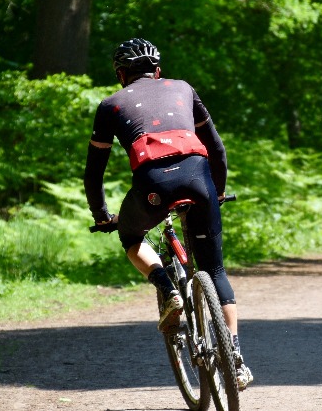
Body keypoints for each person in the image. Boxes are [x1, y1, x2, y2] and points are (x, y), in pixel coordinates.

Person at [83, 38, 253, 389]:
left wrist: (102, 216)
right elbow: (216, 149)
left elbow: (93, 173)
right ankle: (235, 360)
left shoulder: (110, 104)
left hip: (152, 187)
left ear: (120, 74)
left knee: (131, 236)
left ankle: (167, 288)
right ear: (158, 71)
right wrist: (216, 193)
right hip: (199, 179)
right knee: (215, 269)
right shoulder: (184, 88)